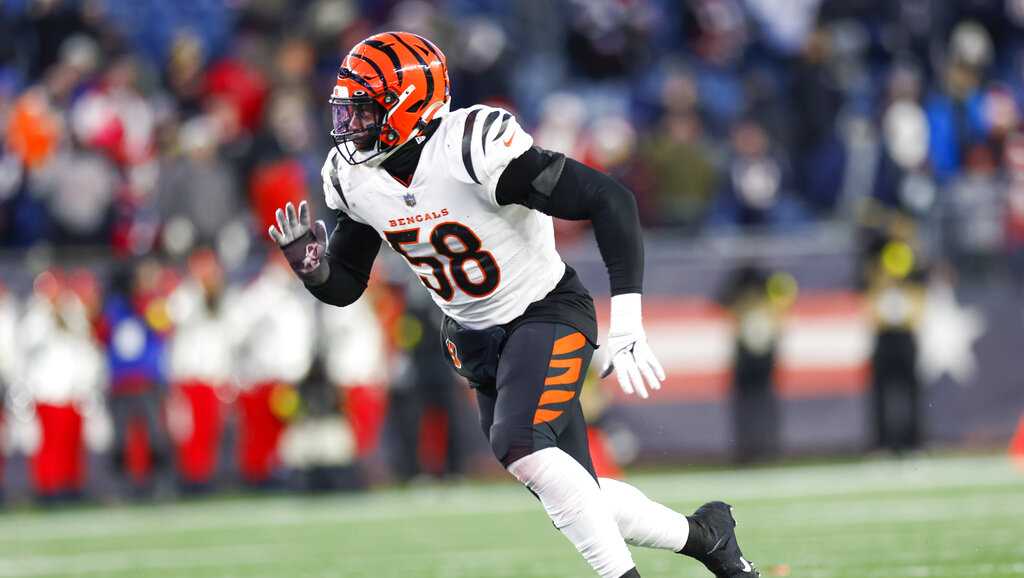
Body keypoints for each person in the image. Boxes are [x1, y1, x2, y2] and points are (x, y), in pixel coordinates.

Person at [268, 31, 759, 578]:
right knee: (571, 486)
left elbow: (608, 198)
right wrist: (313, 268)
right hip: (473, 338)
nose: (352, 126)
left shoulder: (470, 147)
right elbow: (347, 285)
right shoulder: (352, 177)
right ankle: (708, 538)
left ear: (410, 104)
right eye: (349, 111)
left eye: (365, 111)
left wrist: (629, 320)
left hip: (543, 310)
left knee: (520, 445)